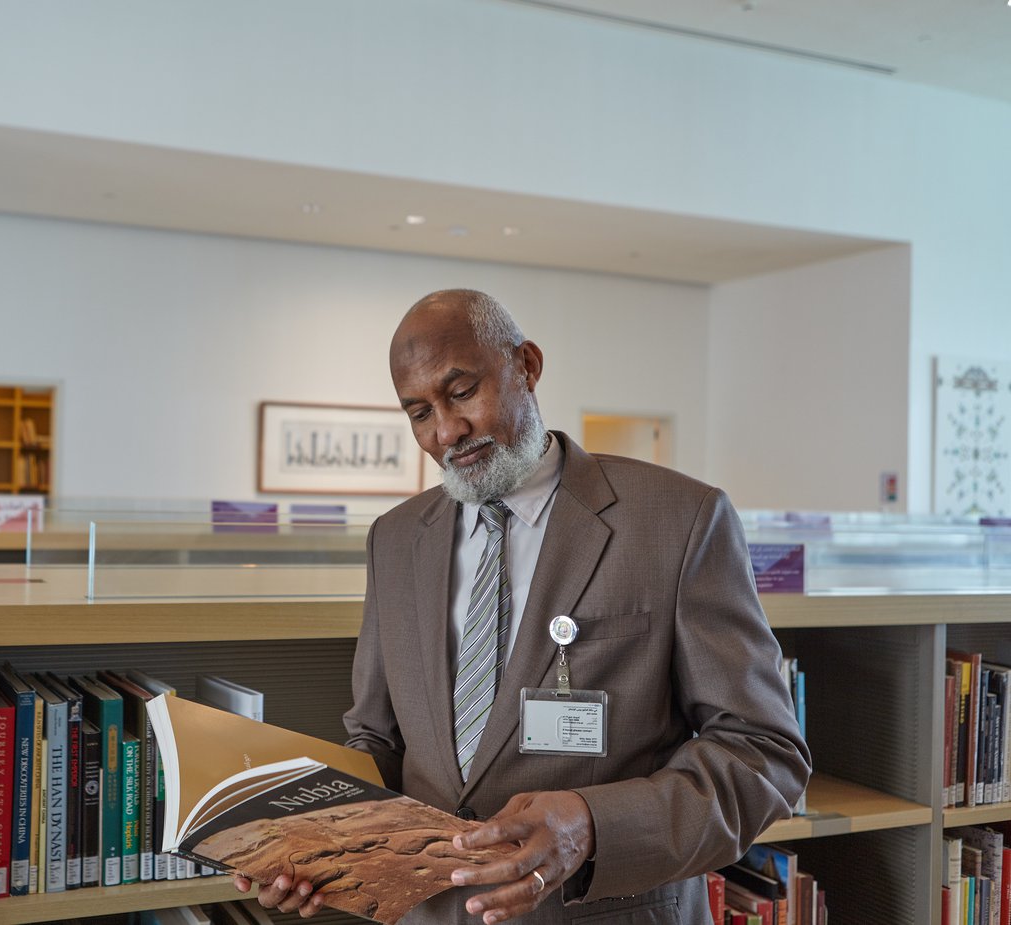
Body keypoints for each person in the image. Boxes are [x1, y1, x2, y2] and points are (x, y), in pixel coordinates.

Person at [236, 289, 810, 923]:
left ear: (528, 366)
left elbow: (762, 752)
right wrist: (318, 841)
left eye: (461, 393)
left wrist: (593, 825)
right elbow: (378, 738)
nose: (446, 432)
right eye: (419, 412)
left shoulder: (677, 521)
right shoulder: (395, 540)